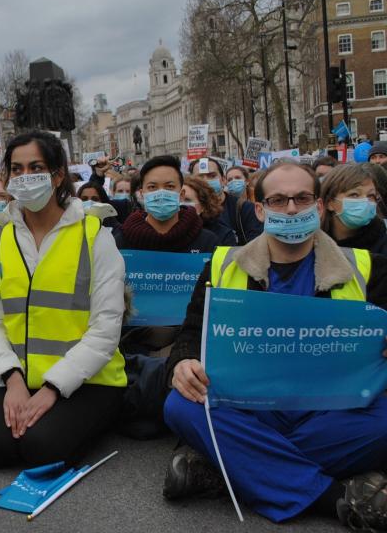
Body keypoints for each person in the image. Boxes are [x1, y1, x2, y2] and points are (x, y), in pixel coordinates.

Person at [162, 161, 387, 529]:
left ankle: (226, 468)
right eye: (279, 200)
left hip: (332, 409)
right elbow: (189, 335)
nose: (292, 208)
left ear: (318, 206)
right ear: (261, 209)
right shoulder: (221, 266)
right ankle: (334, 499)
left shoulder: (369, 268)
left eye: (302, 198)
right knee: (180, 406)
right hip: (250, 406)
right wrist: (182, 364)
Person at [0, 130, 127, 467]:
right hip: (19, 376)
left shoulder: (94, 236)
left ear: (57, 175)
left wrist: (52, 389)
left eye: (35, 167)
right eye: (16, 169)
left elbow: (105, 331)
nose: (25, 177)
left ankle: (104, 416)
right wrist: (11, 380)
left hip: (88, 379)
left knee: (42, 448)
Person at [112, 157, 219, 253]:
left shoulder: (207, 242)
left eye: (170, 186)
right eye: (152, 187)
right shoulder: (121, 242)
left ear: (181, 195)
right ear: (142, 194)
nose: (161, 194)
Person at [190, 157, 262, 244]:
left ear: (223, 180)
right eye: (200, 178)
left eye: (212, 176)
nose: (206, 181)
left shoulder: (245, 209)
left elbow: (256, 249)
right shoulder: (186, 212)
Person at [320, 164, 387, 256]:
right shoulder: (312, 242)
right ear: (329, 203)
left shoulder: (383, 240)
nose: (365, 201)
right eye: (354, 195)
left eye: (370, 195)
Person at [182, 175, 237, 247]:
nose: (181, 204)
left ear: (203, 206)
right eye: (178, 199)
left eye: (187, 200)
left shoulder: (223, 235)